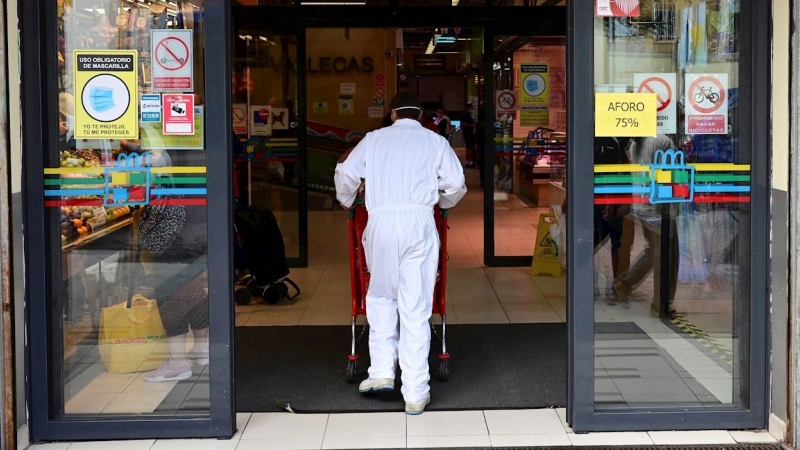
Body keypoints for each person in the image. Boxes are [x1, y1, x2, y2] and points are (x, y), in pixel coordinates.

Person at [334, 92, 467, 415]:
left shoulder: (374, 139)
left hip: (381, 223)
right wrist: (439, 202)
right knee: (416, 306)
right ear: (420, 114)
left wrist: (348, 200)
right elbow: (456, 184)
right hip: (419, 224)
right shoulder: (434, 142)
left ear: (393, 113)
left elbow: (346, 174)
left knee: (380, 295)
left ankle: (381, 371)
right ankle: (416, 392)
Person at [614, 134, 680, 312]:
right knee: (667, 254)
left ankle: (626, 283)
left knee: (653, 250)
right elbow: (673, 175)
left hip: (642, 205)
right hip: (660, 208)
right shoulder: (663, 141)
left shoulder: (636, 143)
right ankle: (662, 301)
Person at [593, 136, 634, 305]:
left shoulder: (624, 142)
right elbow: (603, 172)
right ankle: (594, 285)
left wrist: (625, 199)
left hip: (615, 200)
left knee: (617, 245)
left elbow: (625, 172)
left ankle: (615, 286)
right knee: (595, 241)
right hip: (602, 200)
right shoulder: (602, 140)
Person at [460, 103, 476, 168]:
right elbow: (464, 124)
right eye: (471, 109)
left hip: (467, 133)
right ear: (468, 108)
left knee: (468, 147)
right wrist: (473, 125)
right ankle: (470, 162)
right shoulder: (466, 115)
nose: (472, 110)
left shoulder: (466, 115)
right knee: (470, 147)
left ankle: (468, 162)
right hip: (468, 133)